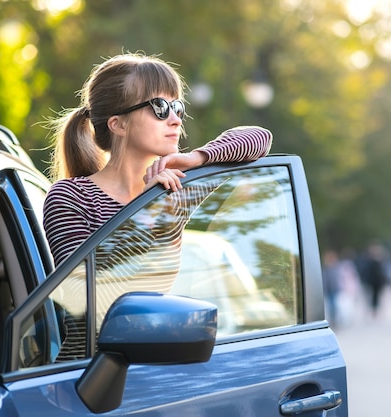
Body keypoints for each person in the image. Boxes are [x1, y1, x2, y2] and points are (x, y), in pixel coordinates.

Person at [42, 52, 272, 360]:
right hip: (85, 378)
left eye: (177, 106)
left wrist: (198, 158)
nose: (176, 119)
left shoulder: (174, 189)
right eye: (160, 108)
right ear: (118, 124)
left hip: (150, 371)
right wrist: (144, 211)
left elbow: (259, 139)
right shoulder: (71, 197)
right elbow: (84, 300)